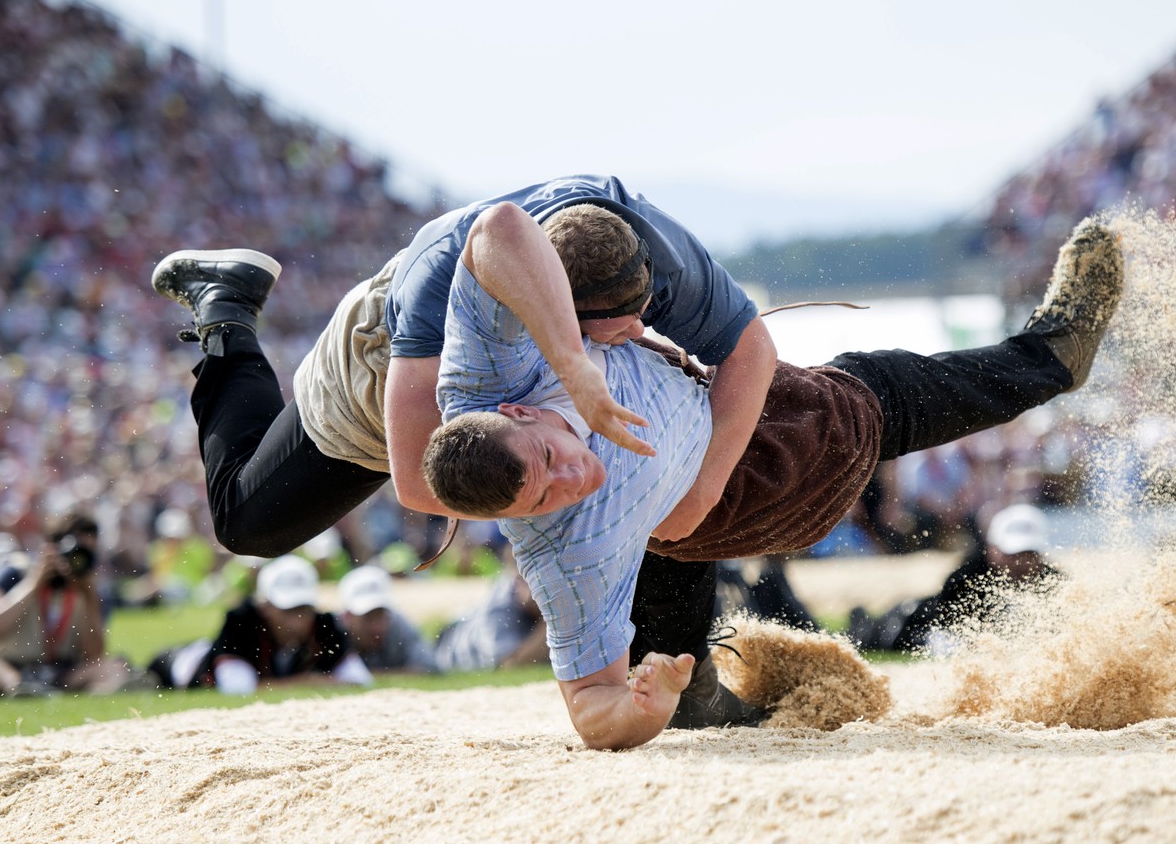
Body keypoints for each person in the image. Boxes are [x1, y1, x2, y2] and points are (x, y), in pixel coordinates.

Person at [422, 217, 1123, 748]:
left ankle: (699, 699)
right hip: (748, 486)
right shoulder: (561, 549)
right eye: (545, 500)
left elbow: (501, 229)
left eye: (550, 460)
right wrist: (643, 704)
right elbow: (590, 710)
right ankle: (1051, 359)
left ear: (512, 410)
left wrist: (574, 361)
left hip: (689, 441)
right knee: (870, 393)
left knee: (666, 592)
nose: (573, 479)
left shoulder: (484, 377)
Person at [150, 174, 775, 560]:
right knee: (248, 524)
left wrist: (700, 489)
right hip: (379, 379)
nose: (638, 330)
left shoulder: (643, 250)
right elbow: (419, 483)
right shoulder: (438, 281)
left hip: (533, 386)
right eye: (610, 326)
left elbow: (752, 350)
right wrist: (565, 492)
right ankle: (226, 310)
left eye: (642, 310)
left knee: (636, 479)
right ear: (560, 309)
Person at [848, 503, 1063, 653]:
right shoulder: (967, 578)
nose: (1020, 562)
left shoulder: (1057, 585)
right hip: (907, 621)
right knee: (868, 636)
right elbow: (944, 629)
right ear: (992, 549)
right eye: (1013, 554)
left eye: (1028, 554)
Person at [0, 513, 141, 693]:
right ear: (50, 548)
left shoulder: (92, 589)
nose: (77, 561)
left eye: (86, 554)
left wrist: (88, 595)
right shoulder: (15, 571)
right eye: (74, 552)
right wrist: (34, 583)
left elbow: (93, 655)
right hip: (7, 665)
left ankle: (38, 690)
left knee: (114, 667)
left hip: (62, 672)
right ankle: (19, 688)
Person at [166, 554, 371, 694]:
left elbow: (360, 680)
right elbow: (237, 689)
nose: (297, 620)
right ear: (264, 606)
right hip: (181, 664)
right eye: (288, 610)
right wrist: (309, 682)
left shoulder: (324, 625)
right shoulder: (241, 622)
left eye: (303, 609)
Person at [433, 562, 550, 672]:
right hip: (449, 647)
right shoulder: (500, 607)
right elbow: (509, 664)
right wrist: (552, 622)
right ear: (519, 581)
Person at [336, 564, 439, 674]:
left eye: (380, 615)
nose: (376, 627)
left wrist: (363, 678)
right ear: (347, 616)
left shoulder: (399, 625)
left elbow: (429, 669)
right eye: (367, 617)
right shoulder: (332, 633)